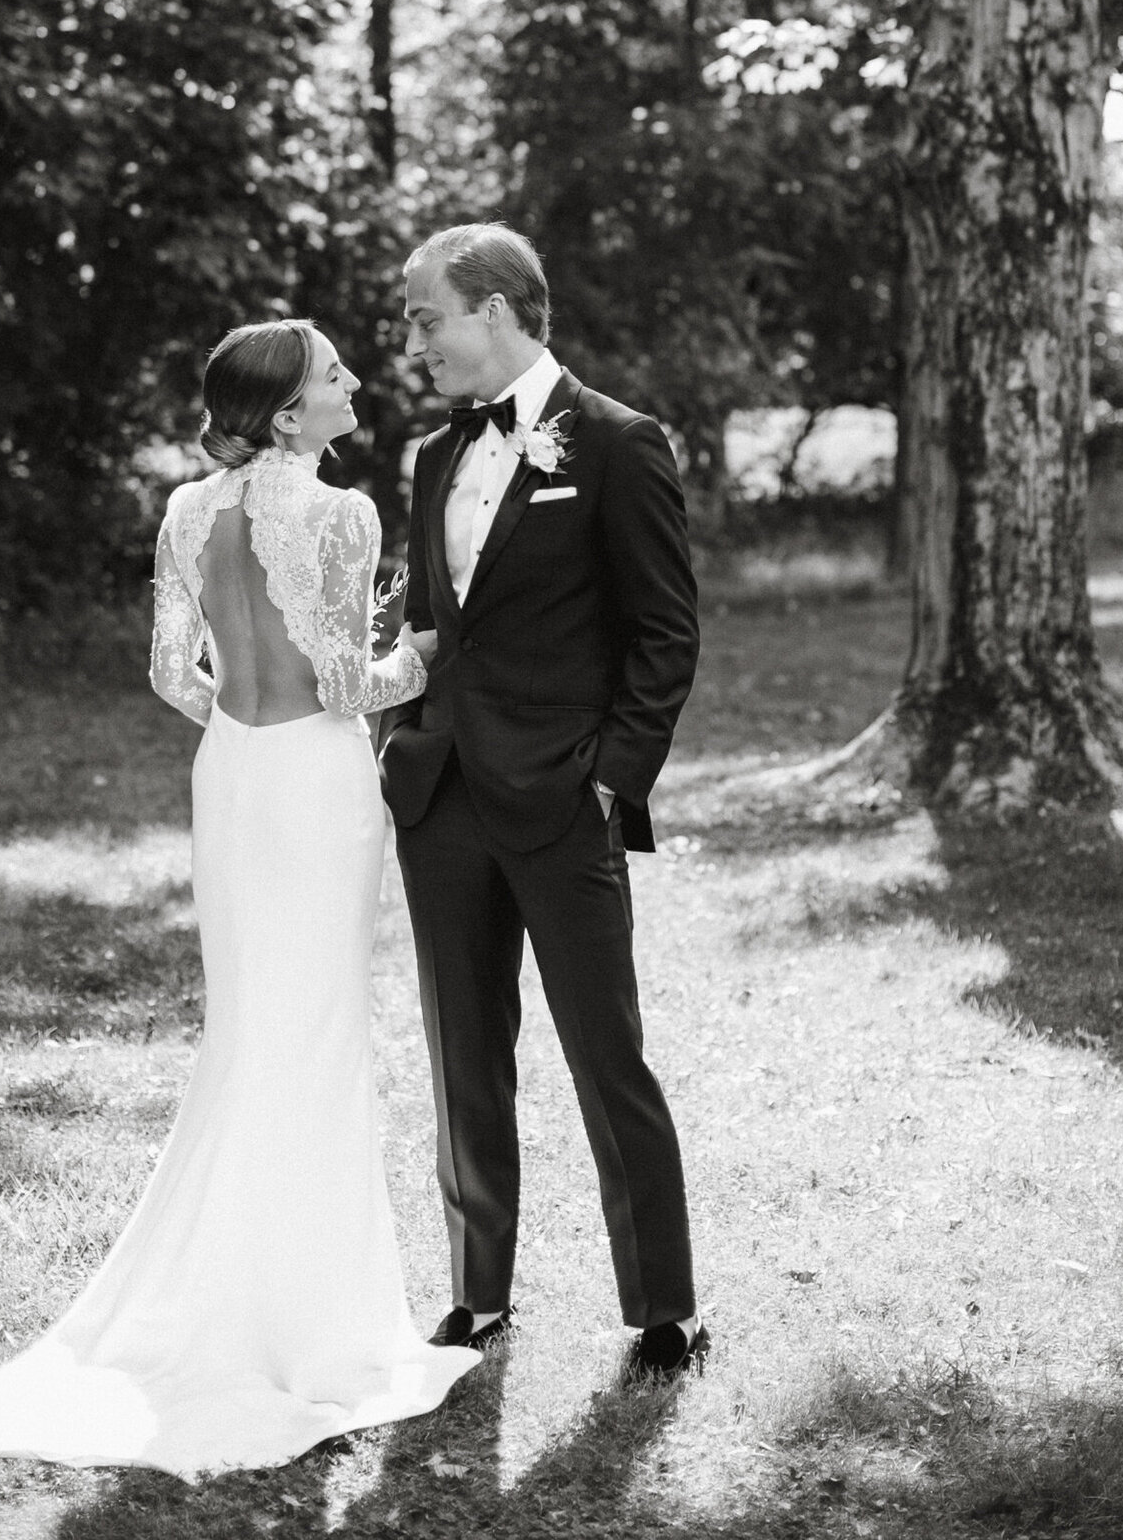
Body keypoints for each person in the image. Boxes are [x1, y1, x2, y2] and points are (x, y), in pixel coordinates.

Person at [0, 321, 476, 1477]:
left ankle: (238, 1285)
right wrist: (421, 653)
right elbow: (340, 681)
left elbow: (173, 673)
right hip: (318, 781)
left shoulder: (184, 510)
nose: (353, 383)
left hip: (231, 774)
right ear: (285, 416)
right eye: (331, 378)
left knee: (248, 1029)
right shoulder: (344, 514)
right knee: (316, 1031)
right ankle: (311, 1324)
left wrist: (238, 723)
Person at [380, 224, 706, 1381]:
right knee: (464, 1053)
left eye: (427, 317)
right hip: (443, 795)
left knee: (604, 1053)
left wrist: (612, 778)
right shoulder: (431, 457)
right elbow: (423, 623)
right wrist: (396, 732)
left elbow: (665, 634)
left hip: (565, 798)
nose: (414, 342)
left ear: (501, 311)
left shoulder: (618, 443)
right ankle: (478, 1295)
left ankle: (663, 1306)